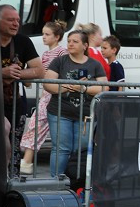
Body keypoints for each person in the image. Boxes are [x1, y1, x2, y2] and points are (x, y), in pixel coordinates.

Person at [43, 30, 108, 177]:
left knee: (81, 149)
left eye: (75, 41)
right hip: (60, 112)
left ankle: (76, 183)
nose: (70, 44)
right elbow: (48, 84)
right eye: (69, 41)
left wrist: (84, 88)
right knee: (61, 149)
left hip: (85, 115)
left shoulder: (95, 64)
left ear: (85, 45)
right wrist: (72, 86)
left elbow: (104, 87)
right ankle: (57, 184)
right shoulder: (59, 61)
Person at [19, 20, 68, 175]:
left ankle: (27, 161)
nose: (43, 37)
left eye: (47, 34)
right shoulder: (46, 53)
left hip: (54, 93)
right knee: (37, 125)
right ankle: (27, 161)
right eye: (43, 34)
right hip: (47, 93)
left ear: (57, 36)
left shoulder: (61, 52)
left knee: (38, 124)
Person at [0, 5, 44, 125]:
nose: (16, 24)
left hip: (14, 103)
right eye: (10, 20)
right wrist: (2, 72)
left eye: (18, 20)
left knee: (14, 140)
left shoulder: (23, 41)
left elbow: (39, 70)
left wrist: (14, 73)